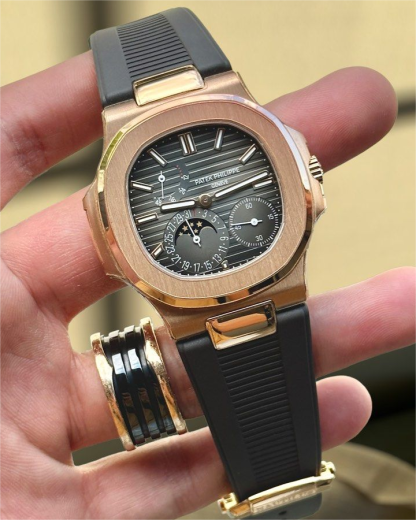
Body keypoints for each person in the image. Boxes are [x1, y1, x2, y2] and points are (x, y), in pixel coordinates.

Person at [0, 51, 413, 519]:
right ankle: (278, 486)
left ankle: (282, 484)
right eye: (197, 201)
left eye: (205, 198)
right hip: (201, 303)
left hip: (273, 282)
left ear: (308, 184)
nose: (202, 202)